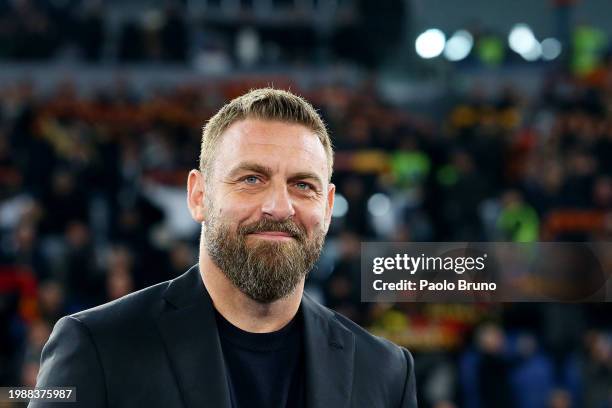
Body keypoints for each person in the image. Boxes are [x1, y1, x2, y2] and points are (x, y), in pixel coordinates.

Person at [31, 88, 417, 407]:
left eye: (303, 185)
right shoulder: (97, 347)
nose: (279, 207)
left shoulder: (385, 372)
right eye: (251, 179)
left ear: (328, 207)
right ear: (199, 196)